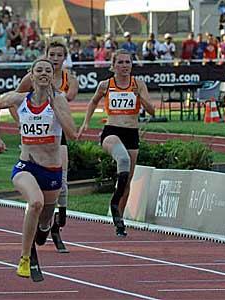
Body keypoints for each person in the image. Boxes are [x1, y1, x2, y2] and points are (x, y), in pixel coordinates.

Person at [0, 58, 77, 278]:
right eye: (39, 70)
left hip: (52, 171)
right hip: (26, 165)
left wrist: (57, 108)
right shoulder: (20, 99)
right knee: (35, 202)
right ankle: (25, 258)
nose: (43, 73)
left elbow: (73, 134)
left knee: (45, 221)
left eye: (47, 70)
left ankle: (44, 230)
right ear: (31, 74)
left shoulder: (59, 100)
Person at [78, 49, 155, 237]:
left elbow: (152, 111)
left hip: (132, 133)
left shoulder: (139, 85)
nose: (124, 66)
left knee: (127, 180)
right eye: (120, 62)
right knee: (123, 159)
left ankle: (119, 220)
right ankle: (114, 201)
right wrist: (86, 122)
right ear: (113, 66)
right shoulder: (106, 85)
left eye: (127, 62)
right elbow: (93, 102)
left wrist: (140, 96)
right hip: (112, 131)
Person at [10, 41, 78, 232]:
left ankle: (57, 219)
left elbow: (69, 98)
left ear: (65, 58)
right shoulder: (32, 75)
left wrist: (55, 99)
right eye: (52, 55)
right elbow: (15, 99)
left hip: (58, 133)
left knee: (62, 181)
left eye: (59, 55)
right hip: (35, 137)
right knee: (34, 191)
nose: (55, 59)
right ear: (46, 54)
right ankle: (39, 220)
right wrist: (21, 122)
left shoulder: (69, 79)